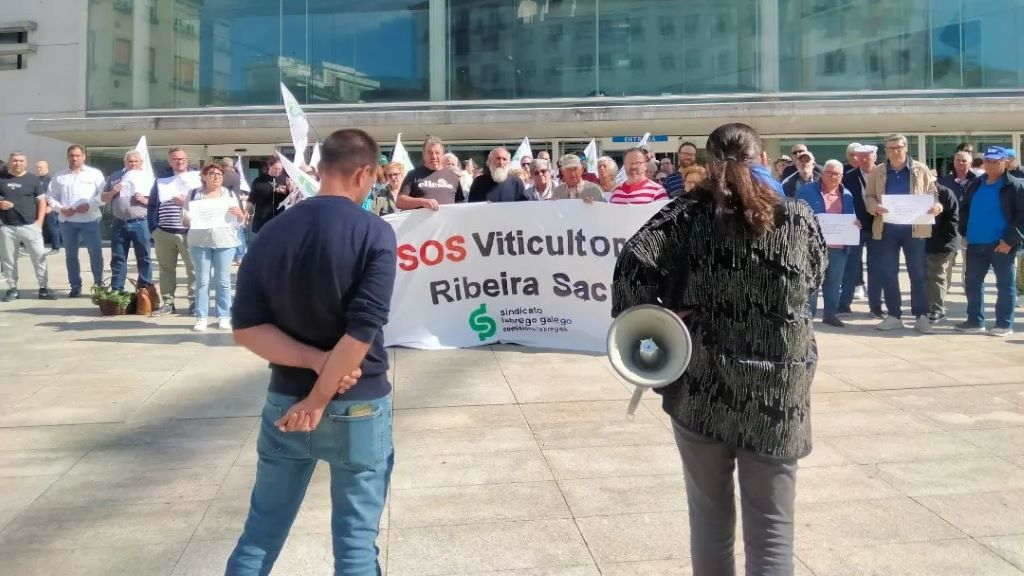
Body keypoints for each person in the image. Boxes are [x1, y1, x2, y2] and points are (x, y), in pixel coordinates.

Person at [613, 122, 825, 576]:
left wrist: (668, 323)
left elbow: (631, 271)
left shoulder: (683, 217)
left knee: (709, 518)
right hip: (778, 390)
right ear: (762, 157)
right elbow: (815, 281)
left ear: (708, 163)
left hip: (701, 385)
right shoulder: (797, 217)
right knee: (772, 527)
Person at [226, 129, 395, 575]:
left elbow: (246, 329)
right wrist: (320, 394)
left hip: (285, 400)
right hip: (356, 404)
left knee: (260, 534)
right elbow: (362, 331)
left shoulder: (272, 231)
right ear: (365, 173)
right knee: (356, 546)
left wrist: (314, 366)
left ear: (319, 170)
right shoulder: (374, 232)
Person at [864, 134, 943, 333]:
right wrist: (875, 207)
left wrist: (936, 206)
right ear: (886, 150)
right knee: (889, 274)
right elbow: (869, 196)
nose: (895, 151)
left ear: (906, 148)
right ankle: (894, 315)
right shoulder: (878, 171)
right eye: (891, 148)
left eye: (898, 147)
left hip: (915, 229)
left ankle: (921, 316)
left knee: (918, 274)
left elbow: (933, 193)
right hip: (887, 229)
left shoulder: (920, 169)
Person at [956, 147, 1023, 337]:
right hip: (975, 243)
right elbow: (965, 209)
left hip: (1001, 244)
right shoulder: (976, 184)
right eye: (988, 161)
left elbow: (1022, 217)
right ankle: (974, 321)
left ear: (1006, 162)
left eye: (996, 161)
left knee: (1005, 285)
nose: (990, 164)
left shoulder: (1015, 186)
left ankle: (1004, 324)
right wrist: (965, 232)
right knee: (972, 283)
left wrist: (1010, 241)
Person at [797, 160, 857, 327]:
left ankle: (830, 315)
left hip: (838, 247)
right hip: (812, 246)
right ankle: (808, 316)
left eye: (836, 174)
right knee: (812, 282)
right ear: (822, 174)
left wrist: (855, 223)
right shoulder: (806, 191)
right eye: (829, 172)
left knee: (834, 282)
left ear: (841, 176)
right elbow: (796, 213)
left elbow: (850, 216)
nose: (832, 176)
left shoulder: (847, 195)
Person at [184, 163, 243, 332]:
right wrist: (191, 218)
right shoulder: (194, 194)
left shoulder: (230, 194)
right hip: (199, 241)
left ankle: (224, 316)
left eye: (219, 174)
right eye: (211, 173)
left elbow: (240, 221)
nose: (216, 176)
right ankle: (201, 317)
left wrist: (239, 215)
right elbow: (185, 218)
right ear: (203, 176)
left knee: (223, 281)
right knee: (202, 280)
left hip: (224, 241)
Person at [47, 144, 106, 297]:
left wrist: (90, 205)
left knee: (95, 254)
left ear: (84, 156)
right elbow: (50, 196)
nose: (74, 158)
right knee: (71, 256)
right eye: (72, 155)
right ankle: (75, 286)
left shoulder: (94, 174)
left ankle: (99, 285)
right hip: (67, 222)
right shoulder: (59, 176)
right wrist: (60, 209)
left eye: (77, 155)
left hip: (90, 220)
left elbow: (103, 195)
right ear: (68, 157)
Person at [148, 147, 198, 315]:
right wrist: (153, 228)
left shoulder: (197, 179)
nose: (179, 161)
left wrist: (186, 202)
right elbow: (153, 205)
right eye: (175, 159)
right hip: (164, 232)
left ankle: (195, 302)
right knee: (166, 269)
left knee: (193, 269)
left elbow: (205, 202)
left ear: (187, 159)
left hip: (189, 231)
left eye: (182, 158)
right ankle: (168, 303)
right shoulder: (161, 180)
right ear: (170, 162)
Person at [0, 152, 56, 301]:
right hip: (7, 227)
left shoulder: (33, 180)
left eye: (21, 161)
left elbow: (42, 202)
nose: (17, 163)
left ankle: (43, 288)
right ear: (9, 162)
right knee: (9, 259)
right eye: (15, 161)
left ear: (26, 163)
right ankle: (12, 289)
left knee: (39, 257)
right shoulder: (1, 179)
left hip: (31, 226)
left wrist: (39, 222)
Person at [101, 151, 154, 294]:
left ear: (141, 163)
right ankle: (117, 290)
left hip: (140, 222)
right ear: (125, 162)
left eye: (136, 161)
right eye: (130, 161)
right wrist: (113, 192)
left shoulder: (148, 178)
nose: (133, 164)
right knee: (118, 258)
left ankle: (144, 290)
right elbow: (103, 198)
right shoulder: (115, 176)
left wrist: (144, 200)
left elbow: (157, 203)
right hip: (119, 222)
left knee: (144, 257)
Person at [924, 183, 961, 324]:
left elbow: (953, 220)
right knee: (929, 275)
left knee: (936, 274)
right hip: (926, 240)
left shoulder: (944, 192)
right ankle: (930, 306)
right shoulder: (917, 192)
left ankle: (937, 309)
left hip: (942, 242)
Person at [396, 136, 464, 210]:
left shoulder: (453, 177)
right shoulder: (413, 175)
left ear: (442, 154)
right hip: (421, 221)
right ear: (423, 154)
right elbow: (400, 202)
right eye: (430, 153)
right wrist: (422, 202)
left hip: (447, 221)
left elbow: (460, 204)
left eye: (437, 153)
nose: (434, 156)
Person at [249, 157, 290, 235]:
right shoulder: (259, 180)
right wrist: (248, 212)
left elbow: (291, 198)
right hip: (262, 219)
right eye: (275, 168)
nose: (278, 171)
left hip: (279, 219)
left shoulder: (285, 180)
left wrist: (288, 190)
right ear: (269, 167)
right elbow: (252, 198)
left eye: (280, 169)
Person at [35, 160, 60, 254]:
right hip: (37, 208)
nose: (38, 169)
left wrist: (50, 206)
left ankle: (55, 247)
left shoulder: (51, 180)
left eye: (40, 167)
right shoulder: (35, 180)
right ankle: (37, 247)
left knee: (52, 227)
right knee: (37, 228)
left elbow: (55, 195)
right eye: (37, 167)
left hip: (49, 209)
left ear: (46, 168)